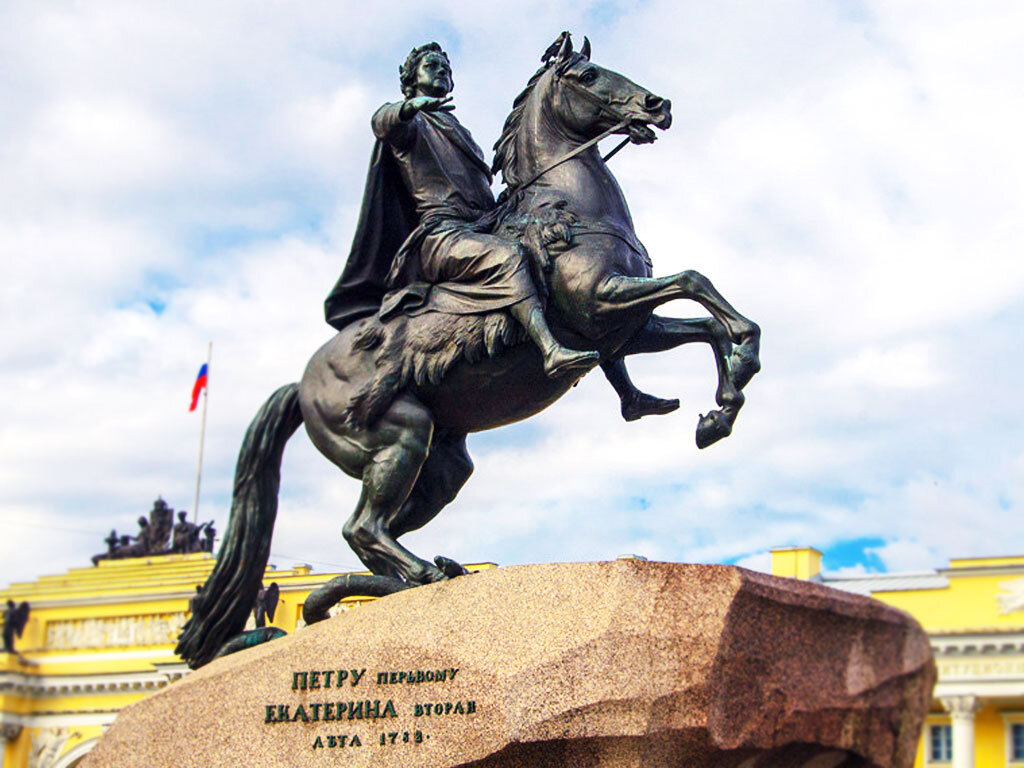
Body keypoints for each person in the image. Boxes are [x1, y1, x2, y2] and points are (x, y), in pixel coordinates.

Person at [325, 43, 676, 414]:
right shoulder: (412, 125)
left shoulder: (458, 129)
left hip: (480, 224)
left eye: (446, 66)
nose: (442, 71)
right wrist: (407, 109)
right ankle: (551, 350)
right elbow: (383, 121)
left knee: (569, 275)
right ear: (411, 80)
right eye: (432, 66)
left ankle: (628, 393)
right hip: (441, 235)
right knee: (509, 255)